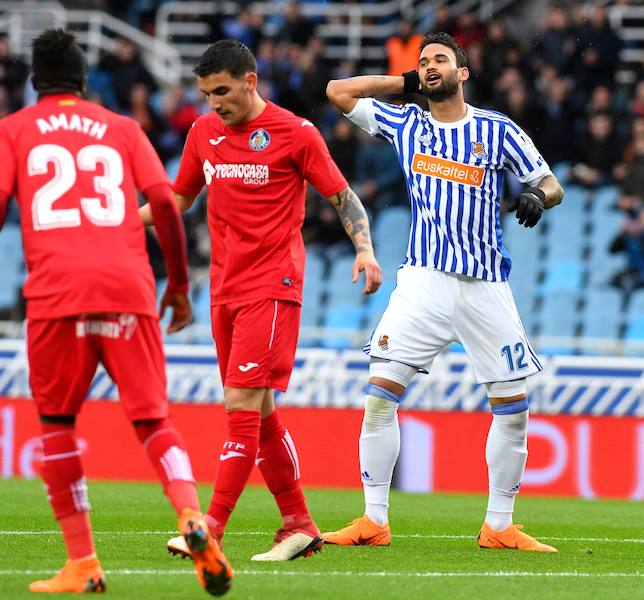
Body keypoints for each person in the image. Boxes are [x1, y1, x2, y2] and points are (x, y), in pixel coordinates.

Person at [0, 29, 232, 594]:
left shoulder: (14, 130)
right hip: (129, 290)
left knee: (56, 423)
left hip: (58, 295)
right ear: (85, 82)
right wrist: (177, 285)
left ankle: (82, 562)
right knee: (154, 421)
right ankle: (191, 516)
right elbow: (167, 208)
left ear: (35, 84)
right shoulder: (123, 128)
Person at [140, 39, 382, 561]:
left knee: (241, 406)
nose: (214, 104)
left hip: (273, 287)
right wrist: (117, 220)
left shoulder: (297, 133)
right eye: (206, 94)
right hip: (223, 290)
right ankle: (298, 524)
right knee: (262, 409)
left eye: (222, 91)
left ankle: (210, 529)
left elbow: (343, 197)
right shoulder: (203, 132)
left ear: (250, 82)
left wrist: (364, 250)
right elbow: (177, 199)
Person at [323, 31, 564, 552]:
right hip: (423, 283)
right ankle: (374, 520)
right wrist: (405, 80)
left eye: (440, 60)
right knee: (379, 398)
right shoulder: (406, 122)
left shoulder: (496, 130)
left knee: (514, 409)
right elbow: (338, 91)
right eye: (423, 62)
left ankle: (499, 526)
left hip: (485, 287)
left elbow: (551, 182)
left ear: (464, 72)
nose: (430, 67)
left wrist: (536, 198)